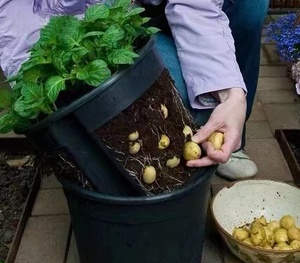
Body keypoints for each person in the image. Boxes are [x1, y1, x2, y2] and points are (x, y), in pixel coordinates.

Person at [0, 0, 269, 180]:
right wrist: (37, 76)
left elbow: (195, 4)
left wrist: (230, 93)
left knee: (249, 8)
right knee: (163, 101)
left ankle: (229, 135)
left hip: (132, 12)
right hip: (69, 20)